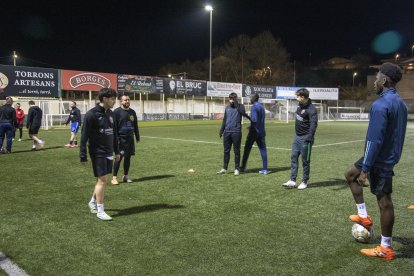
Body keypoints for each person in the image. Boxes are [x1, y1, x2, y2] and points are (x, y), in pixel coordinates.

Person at [345, 63, 407, 261]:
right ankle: (363, 215)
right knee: (350, 175)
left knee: (384, 201)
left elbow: (374, 140)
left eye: (377, 77)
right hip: (386, 155)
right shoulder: (401, 103)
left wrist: (366, 169)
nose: (374, 81)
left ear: (385, 80)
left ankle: (385, 248)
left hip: (379, 159)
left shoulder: (381, 105)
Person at [80, 88, 120, 221]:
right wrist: (83, 155)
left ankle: (92, 201)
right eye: (112, 98)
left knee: (101, 180)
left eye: (115, 98)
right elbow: (84, 136)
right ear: (104, 99)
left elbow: (114, 134)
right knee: (103, 180)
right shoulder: (91, 114)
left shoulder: (111, 113)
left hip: (108, 151)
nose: (114, 101)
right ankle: (100, 210)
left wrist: (117, 151)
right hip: (97, 152)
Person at [282, 88, 318, 190]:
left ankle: (304, 181)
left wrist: (309, 138)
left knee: (305, 161)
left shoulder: (312, 110)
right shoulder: (299, 106)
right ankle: (293, 180)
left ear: (303, 97)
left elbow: (313, 124)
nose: (296, 98)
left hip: (306, 138)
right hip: (297, 137)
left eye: (298, 96)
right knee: (293, 157)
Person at [217, 92, 250, 176]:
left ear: (236, 99)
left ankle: (236, 169)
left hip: (236, 132)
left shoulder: (240, 106)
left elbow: (243, 113)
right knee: (226, 151)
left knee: (236, 151)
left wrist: (236, 104)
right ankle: (224, 168)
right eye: (230, 98)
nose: (231, 100)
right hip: (227, 132)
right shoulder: (227, 108)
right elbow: (225, 120)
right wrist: (221, 130)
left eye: (232, 98)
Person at [111, 95, 140, 185]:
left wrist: (137, 136)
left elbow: (135, 125)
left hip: (130, 139)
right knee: (118, 158)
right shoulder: (116, 112)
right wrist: (115, 139)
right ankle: (114, 178)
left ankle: (125, 176)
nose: (127, 101)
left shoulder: (132, 112)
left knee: (128, 158)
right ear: (121, 102)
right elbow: (113, 127)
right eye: (125, 100)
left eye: (128, 100)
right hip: (120, 139)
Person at [240, 93, 268, 174]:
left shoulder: (254, 107)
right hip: (262, 131)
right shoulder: (261, 107)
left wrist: (250, 127)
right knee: (263, 150)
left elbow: (254, 121)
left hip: (254, 132)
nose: (249, 99)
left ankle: (243, 167)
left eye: (250, 98)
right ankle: (265, 169)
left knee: (247, 149)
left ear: (253, 98)